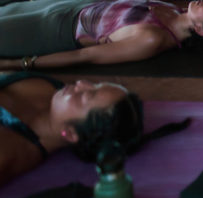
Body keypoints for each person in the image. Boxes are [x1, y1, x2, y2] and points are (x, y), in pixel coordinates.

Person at [0, 74, 186, 186]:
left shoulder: (9, 153)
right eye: (95, 85)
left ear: (71, 133)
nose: (81, 83)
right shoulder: (52, 89)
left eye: (85, 95)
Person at [0, 0, 203, 68]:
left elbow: (84, 56)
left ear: (202, 30)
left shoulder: (151, 38)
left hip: (54, 30)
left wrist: (19, 63)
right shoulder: (172, 9)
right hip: (68, 7)